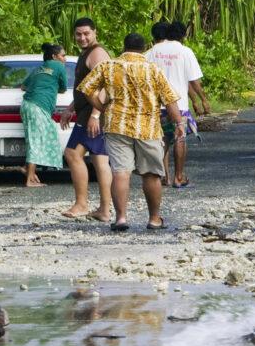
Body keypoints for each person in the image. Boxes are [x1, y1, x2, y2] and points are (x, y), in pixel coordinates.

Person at [78, 32, 183, 231]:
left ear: (124, 47)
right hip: (148, 128)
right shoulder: (154, 69)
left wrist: (100, 107)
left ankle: (121, 219)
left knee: (120, 172)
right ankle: (154, 219)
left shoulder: (108, 66)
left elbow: (87, 89)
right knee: (151, 174)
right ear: (144, 48)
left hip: (117, 126)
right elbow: (170, 101)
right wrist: (178, 124)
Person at [146, 20, 210, 187]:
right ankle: (179, 177)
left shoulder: (152, 52)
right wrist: (202, 99)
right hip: (179, 105)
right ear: (183, 36)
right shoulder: (185, 51)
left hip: (157, 106)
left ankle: (164, 177)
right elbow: (192, 80)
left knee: (162, 140)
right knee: (179, 138)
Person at [62, 18, 112, 220]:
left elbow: (106, 85)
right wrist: (70, 108)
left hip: (93, 115)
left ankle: (82, 204)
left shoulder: (97, 53)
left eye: (86, 34)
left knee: (73, 154)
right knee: (99, 159)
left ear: (95, 32)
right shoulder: (87, 53)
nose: (82, 38)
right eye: (78, 34)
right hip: (88, 112)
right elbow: (86, 88)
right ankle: (104, 210)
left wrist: (95, 115)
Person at [19, 43, 68, 188]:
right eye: (63, 55)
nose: (64, 59)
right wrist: (50, 87)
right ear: (54, 56)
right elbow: (64, 88)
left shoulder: (38, 69)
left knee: (40, 136)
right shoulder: (58, 66)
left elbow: (23, 86)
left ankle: (27, 168)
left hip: (27, 104)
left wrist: (42, 85)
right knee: (36, 140)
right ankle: (30, 179)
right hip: (38, 106)